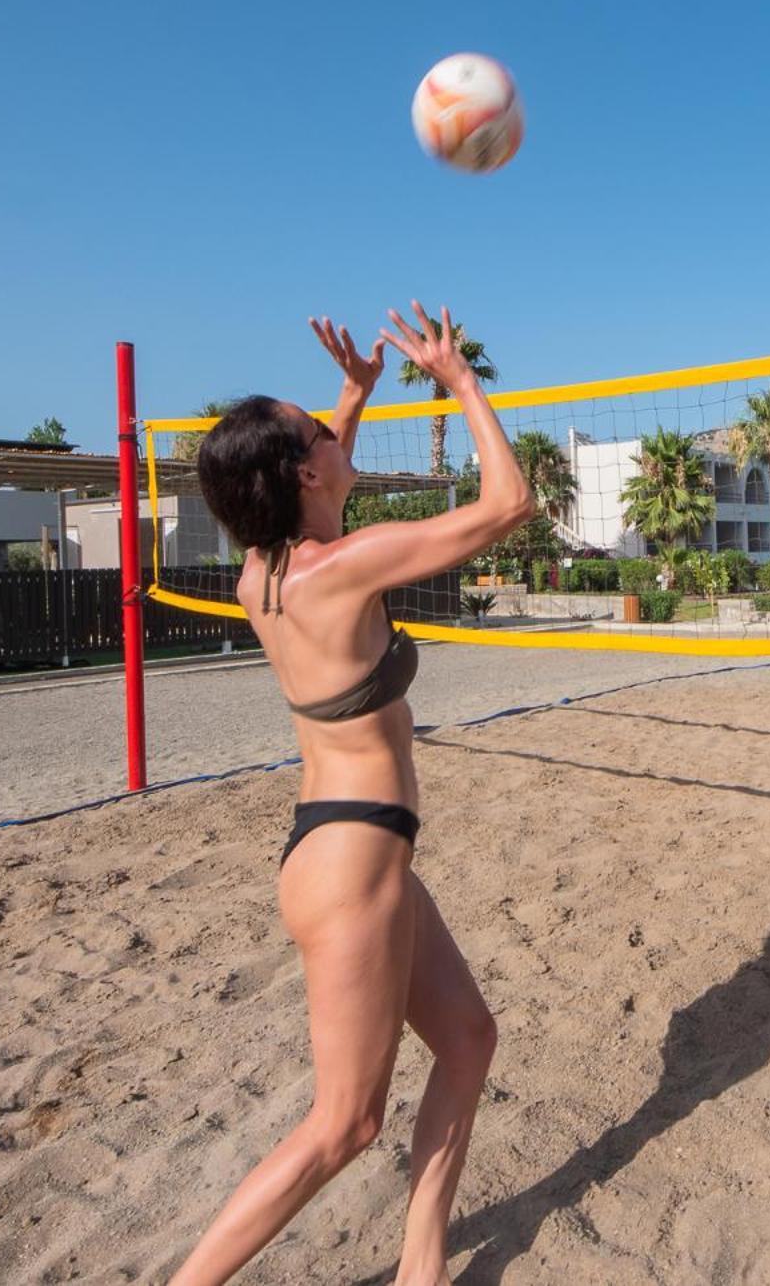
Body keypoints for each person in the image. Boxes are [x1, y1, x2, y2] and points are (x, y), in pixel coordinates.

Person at [171, 304, 534, 1286]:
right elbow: (508, 506)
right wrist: (459, 385)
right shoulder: (343, 570)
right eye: (321, 431)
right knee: (345, 1123)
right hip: (352, 865)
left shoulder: (264, 574)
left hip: (345, 849)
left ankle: (421, 1269)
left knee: (466, 1040)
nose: (335, 437)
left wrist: (352, 398)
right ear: (299, 471)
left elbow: (318, 494)